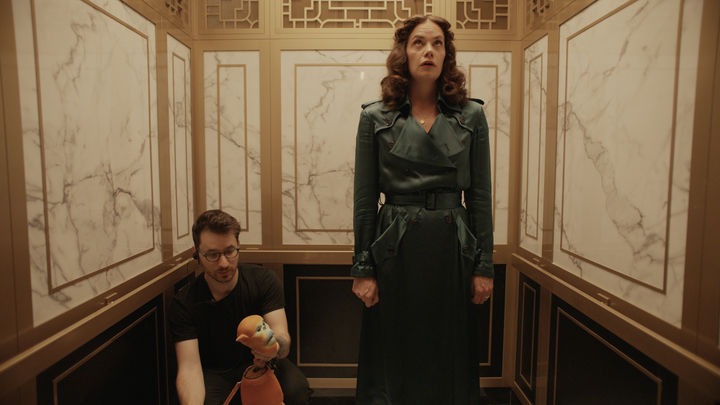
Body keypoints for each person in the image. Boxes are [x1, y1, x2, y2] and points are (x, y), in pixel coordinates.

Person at [351, 15, 495, 404]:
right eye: (418, 42)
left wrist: (484, 266)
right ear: (404, 52)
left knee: (449, 348)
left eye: (437, 43)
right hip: (394, 245)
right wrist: (363, 268)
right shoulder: (374, 116)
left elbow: (480, 197)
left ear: (447, 55)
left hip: (453, 246)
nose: (428, 50)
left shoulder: (471, 115)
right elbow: (364, 200)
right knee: (394, 347)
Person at [169, 209, 310, 405]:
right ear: (197, 254)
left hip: (264, 364)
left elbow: (282, 336)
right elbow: (189, 368)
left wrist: (272, 348)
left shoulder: (263, 280)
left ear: (238, 247)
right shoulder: (184, 302)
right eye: (212, 255)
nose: (223, 263)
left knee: (296, 390)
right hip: (215, 372)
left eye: (229, 251)